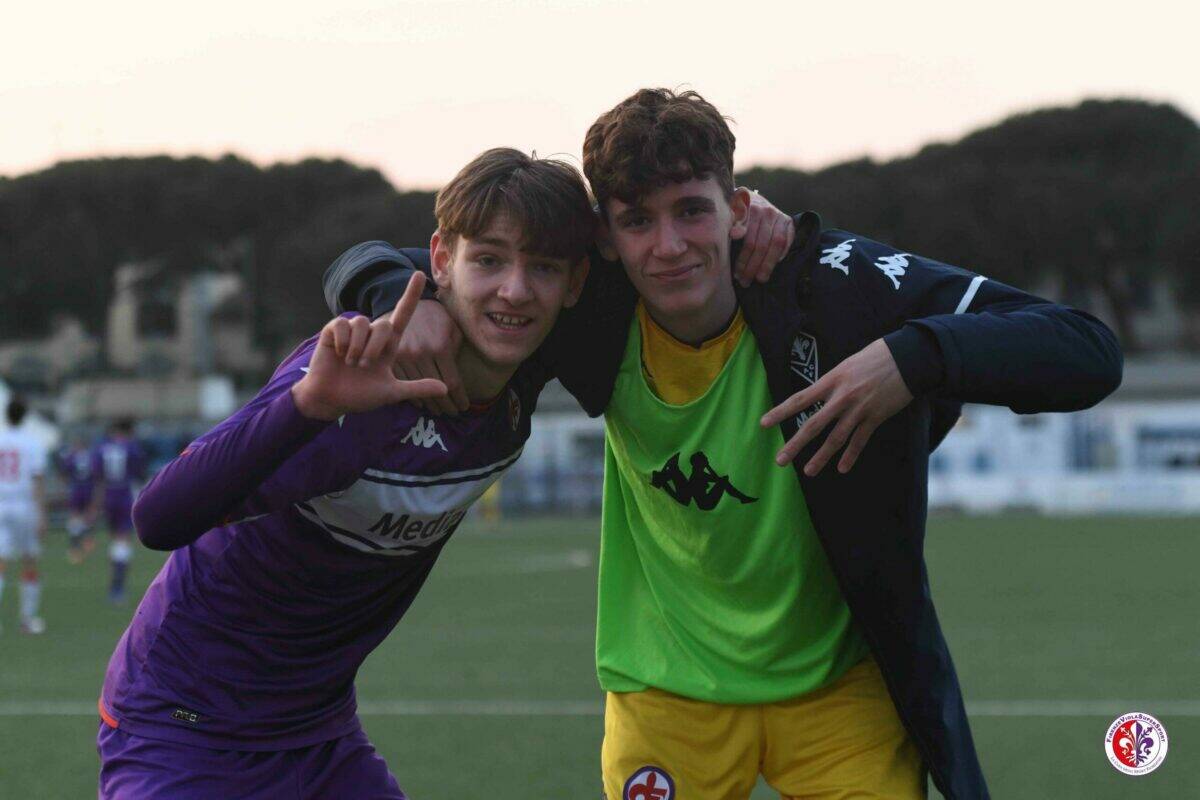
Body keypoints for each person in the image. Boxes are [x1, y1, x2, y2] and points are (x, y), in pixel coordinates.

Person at [326, 89, 1123, 799]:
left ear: (738, 208)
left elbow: (1084, 348)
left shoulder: (829, 284)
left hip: (841, 690)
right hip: (666, 697)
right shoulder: (589, 306)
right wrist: (402, 300)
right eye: (637, 220)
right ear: (605, 238)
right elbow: (395, 263)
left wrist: (912, 357)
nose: (668, 245)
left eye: (691, 211)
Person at [96, 148, 612, 799]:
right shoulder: (357, 370)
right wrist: (306, 406)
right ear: (442, 260)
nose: (515, 288)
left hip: (318, 736)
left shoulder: (533, 351)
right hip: (183, 726)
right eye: (488, 260)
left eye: (542, 267)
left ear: (573, 283)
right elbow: (159, 516)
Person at [0, 397, 50, 635]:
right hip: (24, 505)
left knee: (1, 563)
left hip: (1, 504)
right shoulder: (33, 444)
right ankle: (27, 619)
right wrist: (42, 514)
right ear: (25, 416)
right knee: (29, 561)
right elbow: (37, 479)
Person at [91, 419, 146, 603]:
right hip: (125, 493)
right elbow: (140, 473)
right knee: (123, 540)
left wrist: (96, 503)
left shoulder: (101, 448)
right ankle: (118, 587)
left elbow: (97, 476)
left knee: (115, 539)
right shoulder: (132, 447)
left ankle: (115, 586)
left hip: (108, 494)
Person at [57, 436, 97, 564]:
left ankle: (75, 548)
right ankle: (87, 541)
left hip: (76, 489)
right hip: (88, 488)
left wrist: (65, 486)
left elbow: (63, 472)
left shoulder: (71, 456)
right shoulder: (91, 456)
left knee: (75, 516)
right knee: (88, 515)